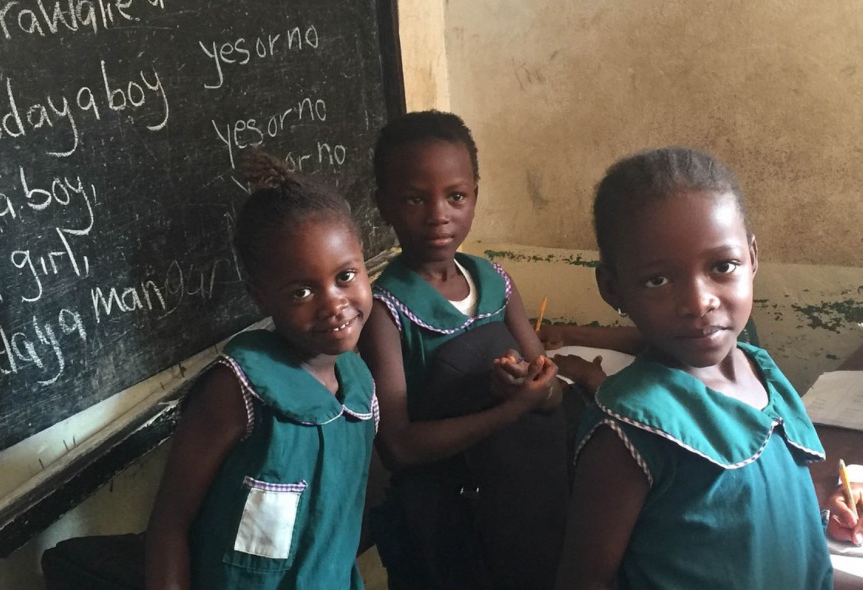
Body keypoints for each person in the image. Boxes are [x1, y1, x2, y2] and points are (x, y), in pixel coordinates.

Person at [556, 146, 834, 589]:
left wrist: (821, 509)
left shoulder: (762, 373)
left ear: (753, 258)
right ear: (613, 288)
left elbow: (760, 514)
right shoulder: (628, 430)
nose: (698, 301)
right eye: (657, 280)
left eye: (722, 266)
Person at [358, 110, 571, 590]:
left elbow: (549, 387)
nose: (438, 214)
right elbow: (399, 445)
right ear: (383, 205)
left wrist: (530, 387)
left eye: (455, 196)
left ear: (475, 194)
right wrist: (511, 408)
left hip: (519, 503)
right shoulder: (384, 311)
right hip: (444, 523)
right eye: (415, 198)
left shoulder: (495, 281)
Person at [145, 149, 377, 590]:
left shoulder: (360, 389)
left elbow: (336, 528)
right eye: (301, 292)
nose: (333, 303)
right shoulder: (238, 390)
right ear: (261, 297)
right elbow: (169, 524)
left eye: (345, 276)